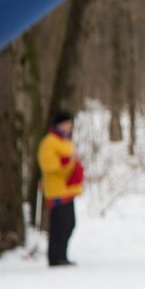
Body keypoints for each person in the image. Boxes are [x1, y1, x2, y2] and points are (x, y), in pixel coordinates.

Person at [37, 110, 85, 267]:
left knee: (69, 224)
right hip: (57, 190)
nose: (69, 126)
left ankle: (62, 255)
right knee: (59, 225)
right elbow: (49, 164)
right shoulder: (50, 142)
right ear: (59, 124)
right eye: (67, 123)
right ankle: (55, 257)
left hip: (68, 189)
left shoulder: (66, 141)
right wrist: (67, 161)